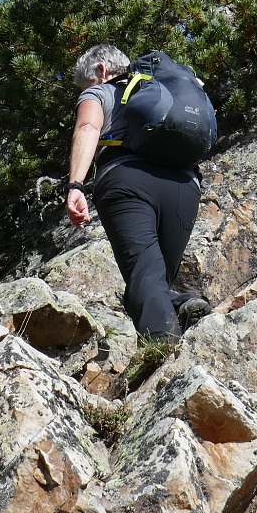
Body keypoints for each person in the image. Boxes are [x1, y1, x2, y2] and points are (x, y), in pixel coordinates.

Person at [63, 44, 211, 337]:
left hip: (128, 181)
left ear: (102, 70)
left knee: (145, 278)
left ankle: (164, 355)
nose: (86, 89)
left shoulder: (101, 92)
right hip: (184, 186)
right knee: (154, 282)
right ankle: (181, 304)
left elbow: (88, 128)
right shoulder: (164, 89)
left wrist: (75, 185)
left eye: (86, 83)